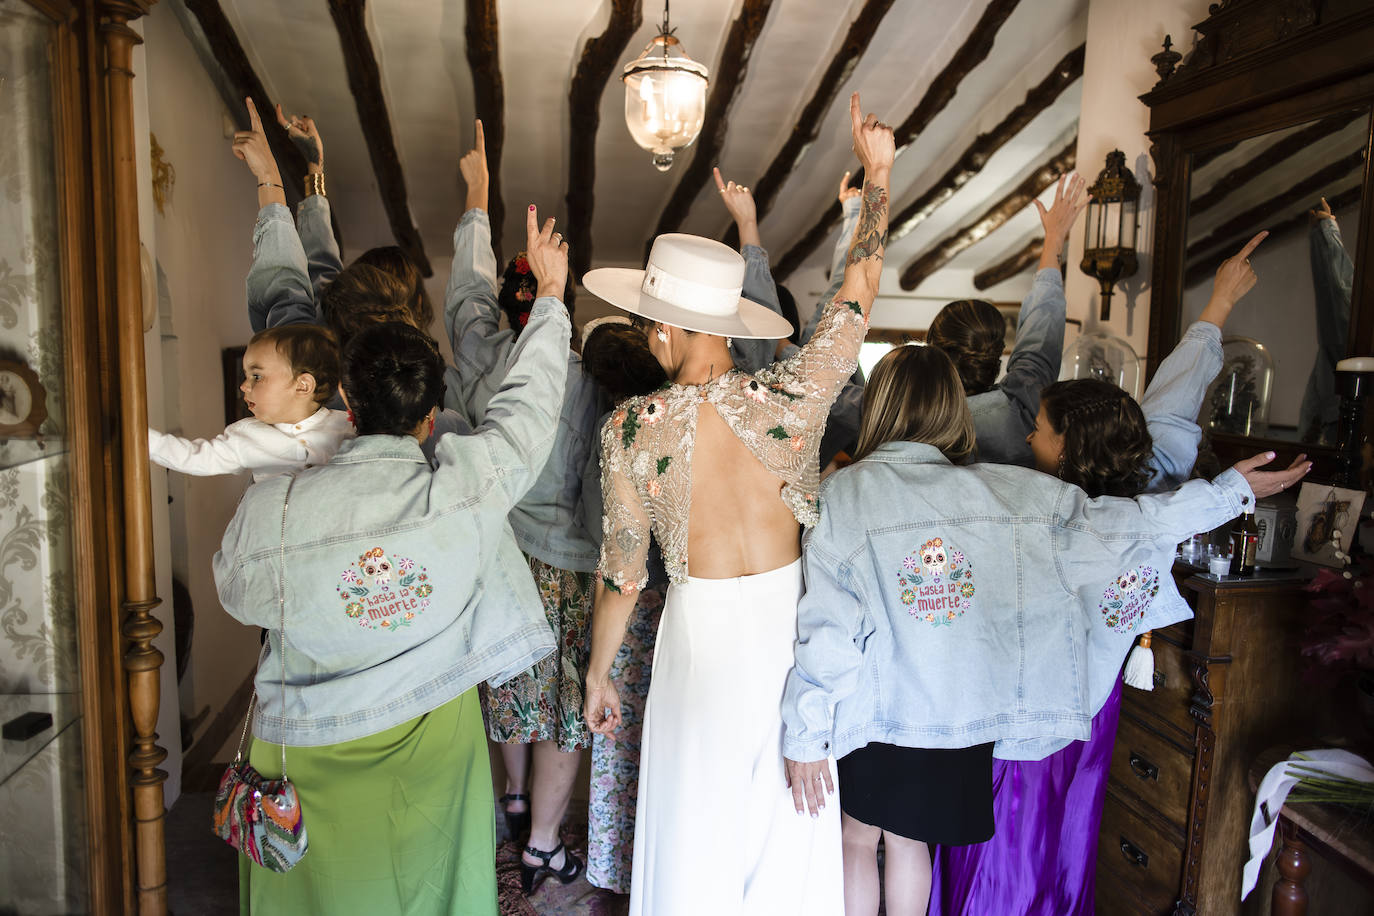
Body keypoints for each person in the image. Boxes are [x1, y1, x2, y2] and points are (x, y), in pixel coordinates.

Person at [779, 337, 1309, 916]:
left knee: (858, 840)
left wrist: (806, 731)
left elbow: (826, 628)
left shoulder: (839, 497)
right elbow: (1126, 525)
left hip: (874, 709)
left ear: (879, 407)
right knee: (911, 845)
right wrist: (1228, 493)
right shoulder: (1010, 492)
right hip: (958, 714)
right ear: (954, 410)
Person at [580, 93, 893, 916]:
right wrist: (880, 180)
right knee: (788, 830)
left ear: (667, 330)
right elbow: (859, 289)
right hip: (791, 632)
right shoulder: (793, 396)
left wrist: (597, 673)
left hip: (703, 640)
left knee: (697, 827)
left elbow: (621, 575)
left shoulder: (633, 429)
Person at [212, 206, 571, 915]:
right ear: (432, 417)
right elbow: (527, 416)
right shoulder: (463, 490)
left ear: (345, 397)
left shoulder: (277, 505)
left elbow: (238, 594)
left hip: (308, 746)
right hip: (434, 737)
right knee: (427, 884)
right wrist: (551, 299)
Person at [931, 232, 1280, 916]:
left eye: (1043, 428)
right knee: (1066, 842)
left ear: (1071, 446)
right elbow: (1174, 409)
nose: (1030, 435)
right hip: (1095, 711)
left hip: (1031, 720)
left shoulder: (1061, 521)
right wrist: (1217, 307)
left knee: (1007, 850)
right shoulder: (1146, 485)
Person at [443, 120, 600, 892]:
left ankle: (510, 796)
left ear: (507, 308)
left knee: (507, 687)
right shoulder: (585, 375)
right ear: (553, 301)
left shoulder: (477, 354)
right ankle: (542, 841)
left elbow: (465, 295)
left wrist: (478, 195)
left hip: (495, 556)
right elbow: (599, 488)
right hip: (568, 560)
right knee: (565, 709)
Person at [577, 320, 671, 898]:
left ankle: (620, 871)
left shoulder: (614, 440)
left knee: (620, 744)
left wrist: (597, 667)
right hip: (685, 608)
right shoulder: (688, 426)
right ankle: (663, 870)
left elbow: (607, 550)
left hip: (630, 611)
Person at [925, 173, 1087, 466]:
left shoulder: (910, 420)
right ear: (997, 352)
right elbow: (1040, 335)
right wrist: (1053, 239)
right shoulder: (1025, 408)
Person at [718, 168, 867, 468]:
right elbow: (843, 288)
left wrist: (747, 223)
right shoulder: (813, 363)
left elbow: (840, 290)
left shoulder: (747, 370)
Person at [148, 324, 353, 480]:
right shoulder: (245, 435)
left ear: (303, 385)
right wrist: (147, 441)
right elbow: (195, 457)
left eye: (256, 376)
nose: (244, 386)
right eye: (245, 376)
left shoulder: (348, 428)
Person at [1299, 196, 1354, 443]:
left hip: (1343, 417)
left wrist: (1327, 231)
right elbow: (1336, 290)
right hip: (1332, 413)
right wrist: (1323, 232)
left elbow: (1341, 289)